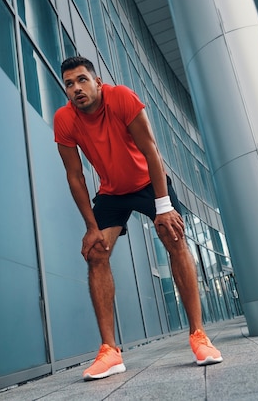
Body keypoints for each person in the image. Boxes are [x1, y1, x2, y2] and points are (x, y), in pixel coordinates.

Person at [54, 56, 222, 381]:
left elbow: (151, 150)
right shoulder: (65, 119)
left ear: (97, 81)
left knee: (174, 238)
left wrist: (163, 207)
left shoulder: (121, 98)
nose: (76, 88)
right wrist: (91, 228)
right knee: (96, 254)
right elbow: (74, 177)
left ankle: (199, 335)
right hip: (112, 192)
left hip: (148, 181)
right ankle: (109, 351)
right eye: (70, 84)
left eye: (82, 80)